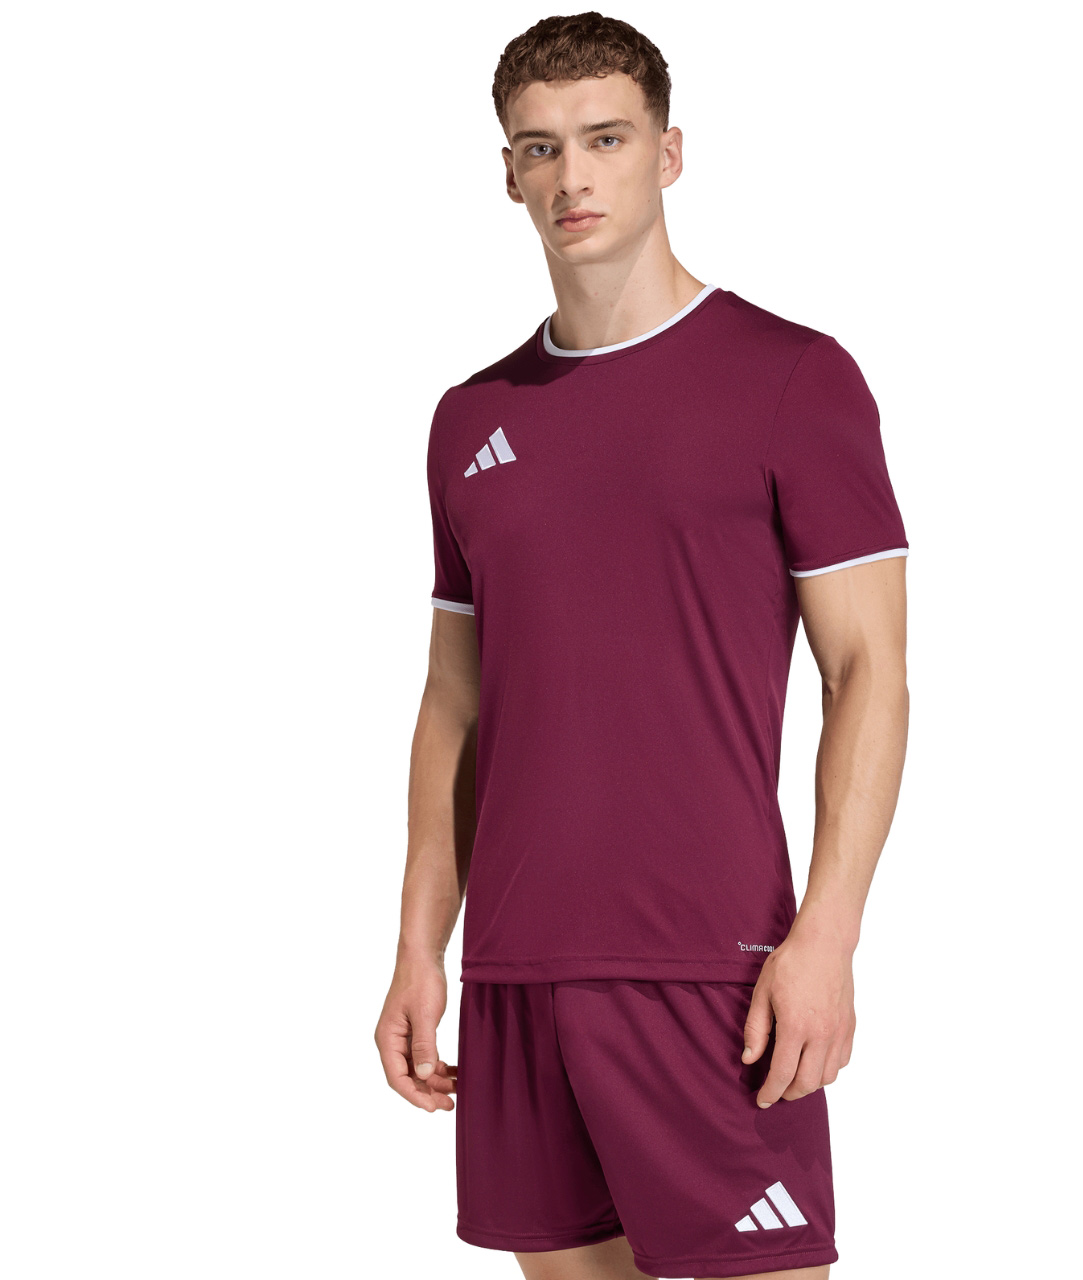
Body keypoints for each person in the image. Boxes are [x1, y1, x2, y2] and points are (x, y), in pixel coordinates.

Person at [374, 12, 910, 1280]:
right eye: (541, 147)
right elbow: (454, 704)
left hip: (706, 962)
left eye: (605, 139)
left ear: (669, 153)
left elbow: (868, 675)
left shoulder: (792, 377)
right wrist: (417, 947)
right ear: (508, 173)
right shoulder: (469, 418)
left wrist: (827, 932)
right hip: (516, 964)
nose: (573, 175)